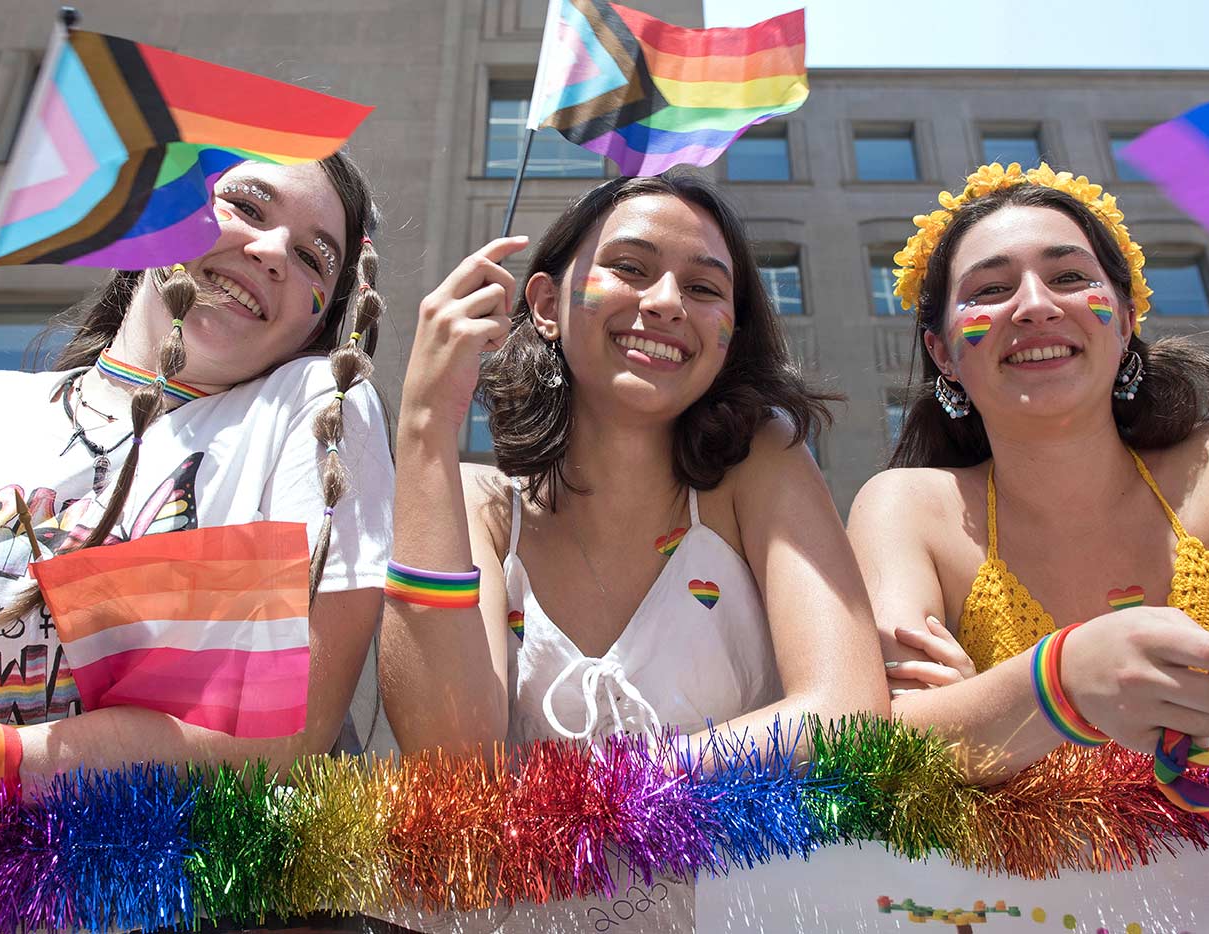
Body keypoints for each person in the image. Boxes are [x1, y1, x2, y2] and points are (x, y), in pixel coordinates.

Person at [374, 171, 886, 930]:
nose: (667, 302)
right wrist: (422, 427)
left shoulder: (762, 466)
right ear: (545, 305)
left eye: (705, 288)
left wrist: (588, 794)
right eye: (631, 269)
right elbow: (451, 763)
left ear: (729, 335)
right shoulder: (480, 507)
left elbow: (845, 712)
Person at [0, 153, 394, 861]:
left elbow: (286, 733)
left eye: (312, 258)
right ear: (159, 222)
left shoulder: (316, 407)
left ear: (318, 317)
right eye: (249, 207)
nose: (271, 252)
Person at [848, 162, 1209, 784]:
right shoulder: (906, 508)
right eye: (989, 289)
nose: (1036, 306)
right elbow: (885, 744)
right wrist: (1062, 678)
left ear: (1124, 321)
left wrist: (1003, 714)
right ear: (942, 352)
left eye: (1069, 276)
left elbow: (948, 736)